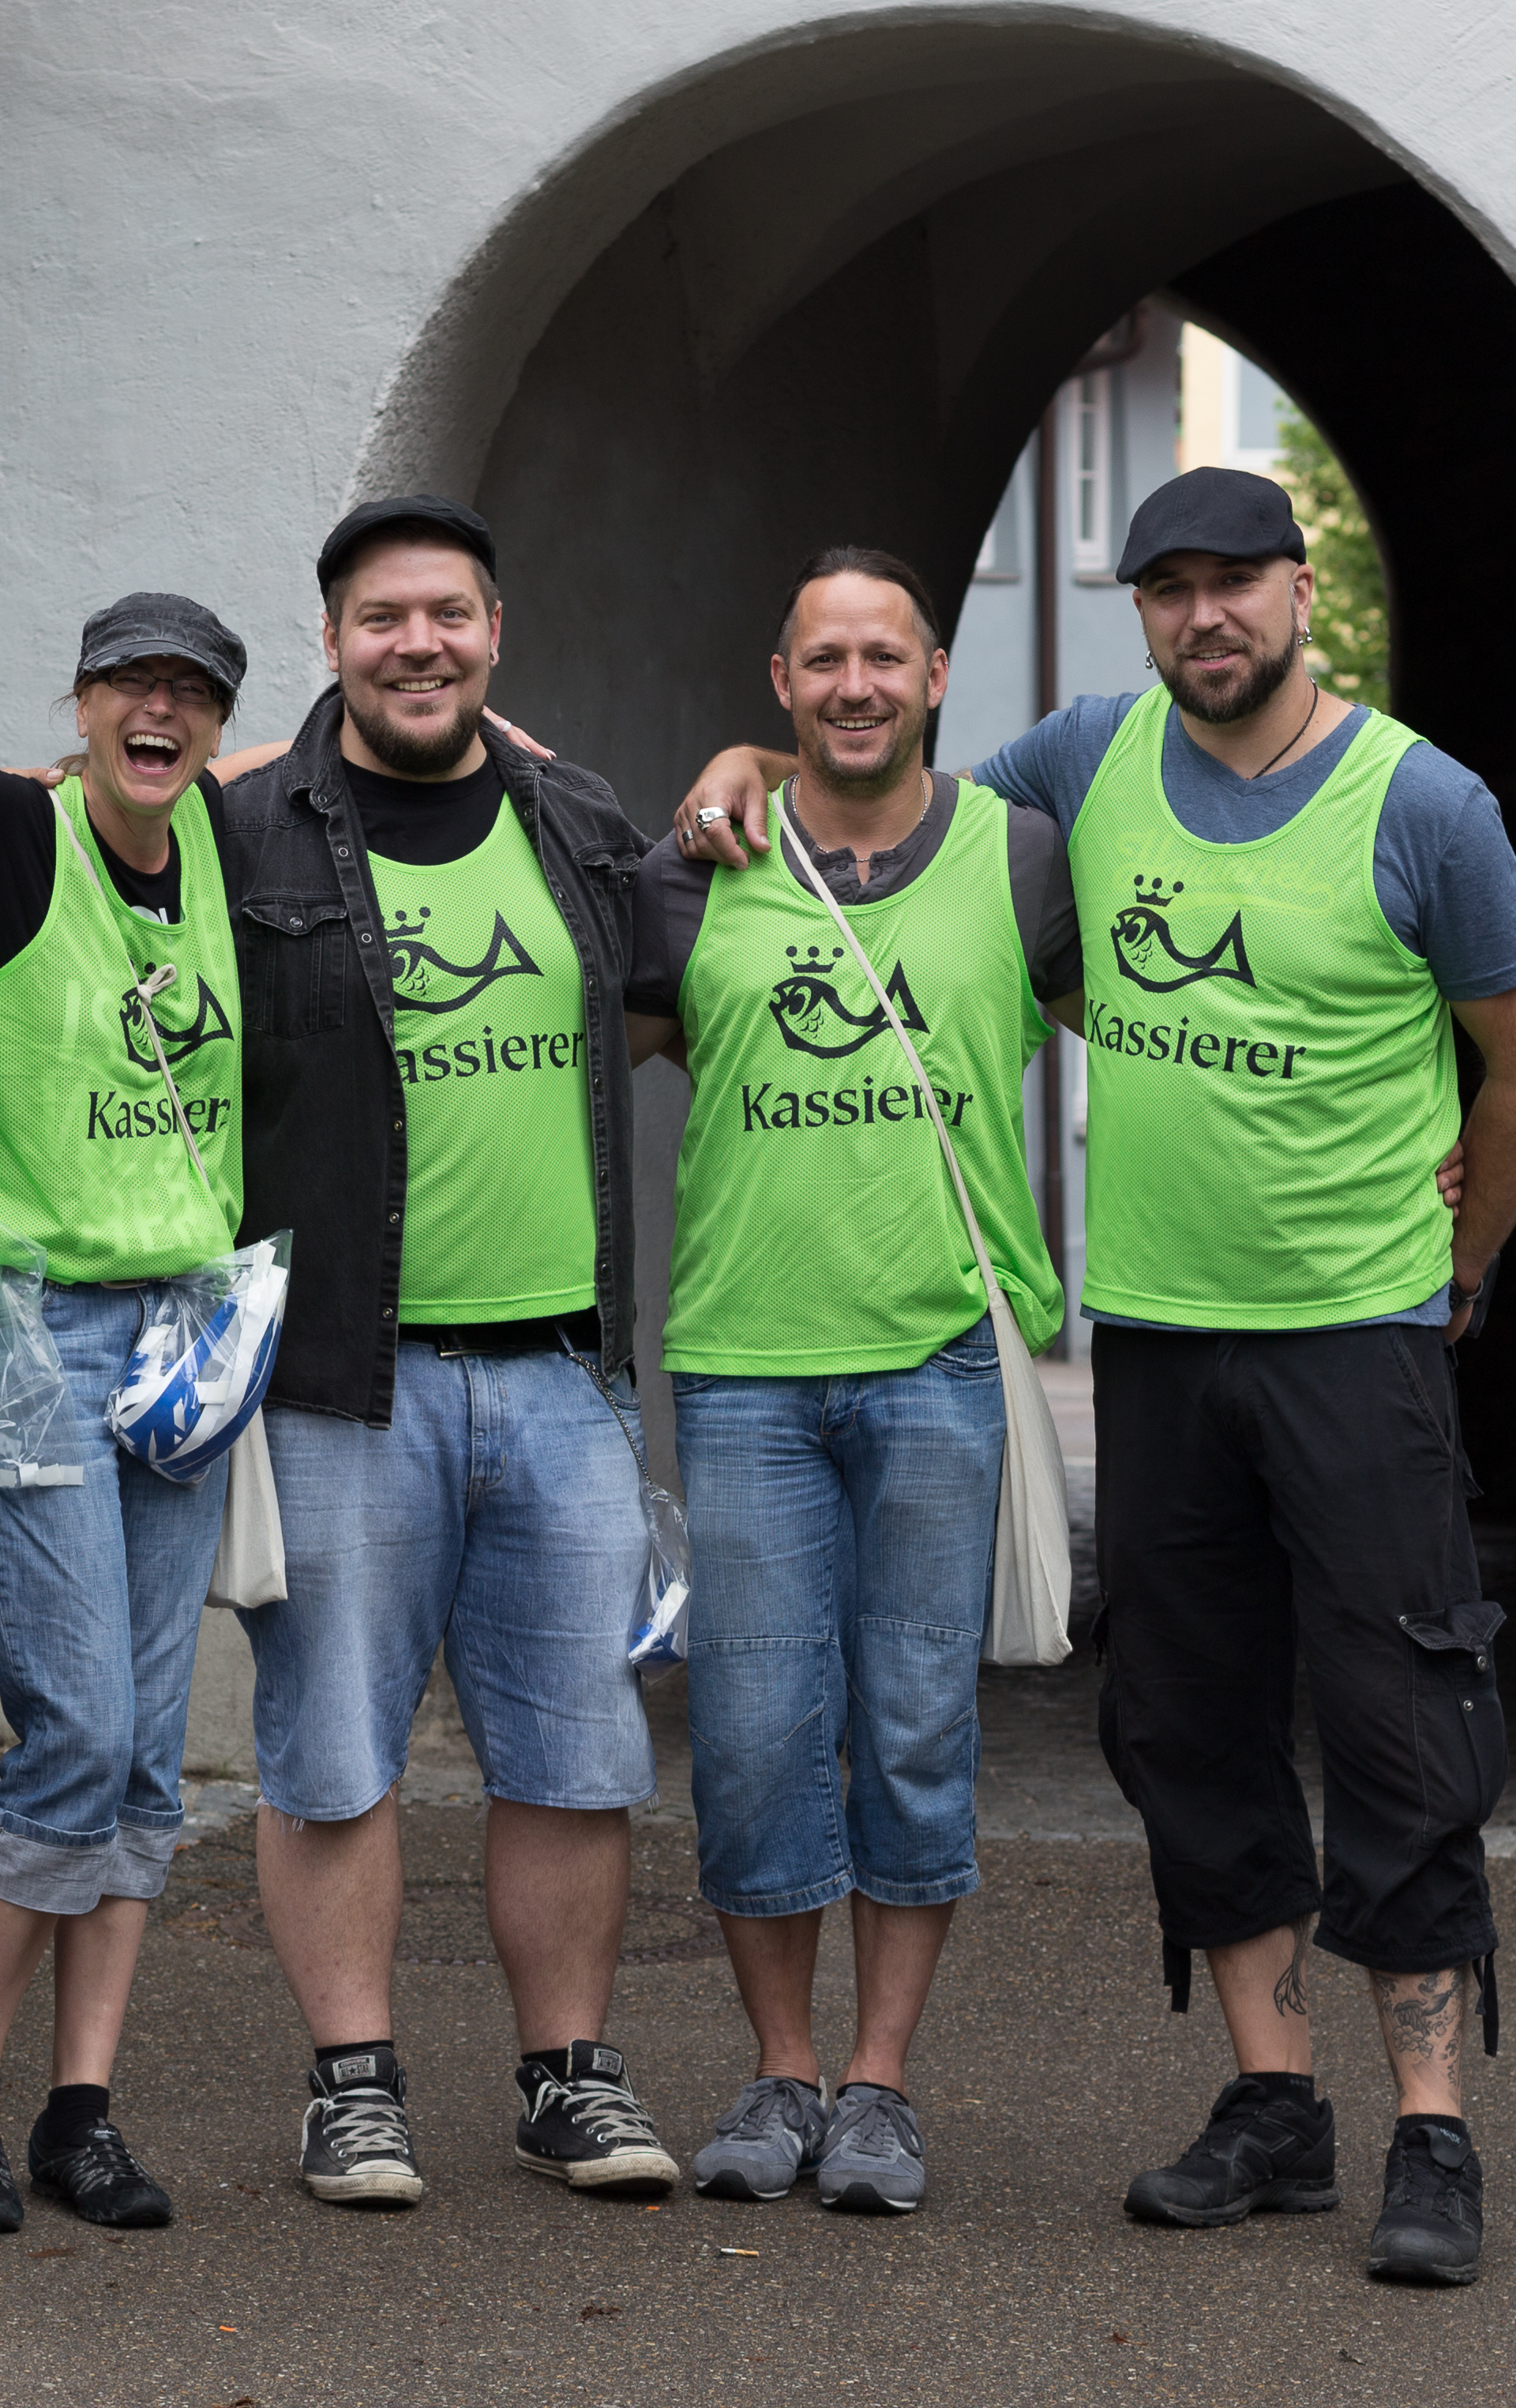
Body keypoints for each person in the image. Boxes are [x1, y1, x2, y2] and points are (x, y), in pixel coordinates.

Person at [671, 468, 1516, 2287]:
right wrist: (742, 767)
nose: (1200, 619)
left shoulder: (1426, 803)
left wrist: (1459, 1264)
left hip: (1355, 1332)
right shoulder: (1082, 763)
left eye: (1229, 584)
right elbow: (885, 786)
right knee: (1186, 1718)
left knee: (1400, 1717)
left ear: (1293, 589)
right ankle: (1270, 2104)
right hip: (1155, 1333)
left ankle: (1429, 2128)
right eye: (1164, 590)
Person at [210, 496, 681, 2211]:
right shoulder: (243, 828)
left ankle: (568, 2077)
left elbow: (682, 980)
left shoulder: (573, 814)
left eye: (450, 616)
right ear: (332, 637)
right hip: (344, 1377)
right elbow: (12, 841)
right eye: (384, 617)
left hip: (560, 1374)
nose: (420, 643)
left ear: (497, 635)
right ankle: (352, 2086)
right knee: (329, 1748)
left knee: (575, 1750)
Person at [621, 550, 1075, 2216]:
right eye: (825, 660)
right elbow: (597, 1057)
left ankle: (877, 2083)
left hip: (940, 1359)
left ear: (936, 675)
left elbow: (1151, 1044)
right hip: (744, 1364)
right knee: (749, 1734)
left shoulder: (1021, 859)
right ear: (779, 678)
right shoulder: (698, 870)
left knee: (909, 1729)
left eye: (885, 655)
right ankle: (776, 2071)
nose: (856, 683)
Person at [0, 591, 254, 2237]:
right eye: (131, 688)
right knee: (78, 1731)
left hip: (181, 1337)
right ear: (81, 701)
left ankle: (80, 2110)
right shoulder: (4, 833)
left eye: (189, 694)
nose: (158, 715)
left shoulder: (232, 857)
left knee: (146, 1766)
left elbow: (338, 763)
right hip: (26, 1326)